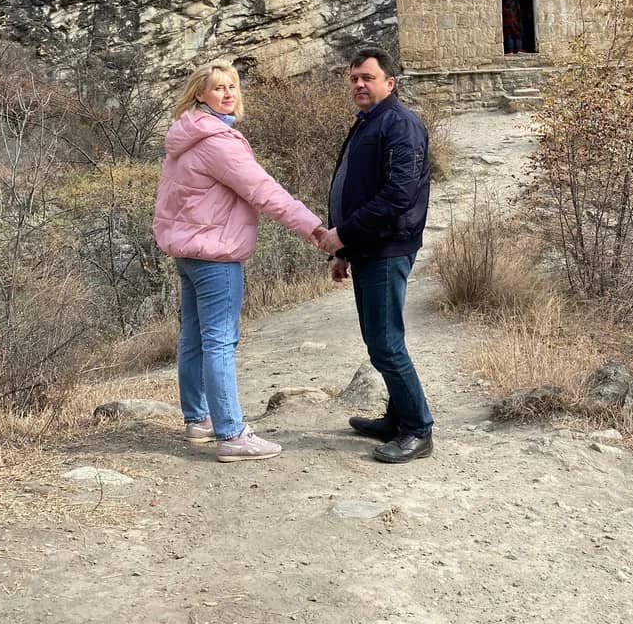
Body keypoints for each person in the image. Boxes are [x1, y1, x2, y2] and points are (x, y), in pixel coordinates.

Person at [153, 59, 324, 463]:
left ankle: (199, 419)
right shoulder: (217, 141)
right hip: (216, 254)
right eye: (218, 87)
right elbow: (265, 192)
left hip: (188, 252)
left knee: (194, 337)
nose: (228, 93)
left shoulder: (184, 136)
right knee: (219, 340)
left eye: (232, 86)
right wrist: (315, 230)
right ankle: (231, 433)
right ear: (200, 94)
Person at [316, 47, 434, 464]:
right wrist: (343, 250)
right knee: (378, 340)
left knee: (385, 343)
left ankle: (418, 429)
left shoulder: (400, 124)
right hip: (367, 247)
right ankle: (397, 418)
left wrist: (343, 234)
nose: (359, 85)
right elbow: (354, 185)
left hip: (387, 248)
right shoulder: (368, 121)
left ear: (390, 82)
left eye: (367, 77)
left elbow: (398, 194)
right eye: (353, 78)